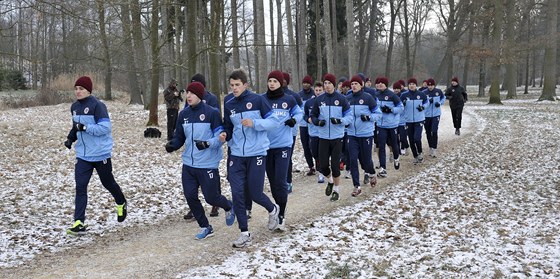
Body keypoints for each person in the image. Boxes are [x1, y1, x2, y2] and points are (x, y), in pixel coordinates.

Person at [165, 82, 235, 240]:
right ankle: (205, 226)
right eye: (187, 93)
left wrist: (207, 144)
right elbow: (180, 137)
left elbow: (221, 137)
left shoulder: (212, 113)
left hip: (207, 164)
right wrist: (172, 145)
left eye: (192, 93)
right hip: (189, 165)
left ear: (200, 95)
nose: (188, 96)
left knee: (211, 198)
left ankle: (229, 206)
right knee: (190, 196)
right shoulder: (184, 114)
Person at [223, 68, 281, 248]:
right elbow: (227, 126)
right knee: (237, 193)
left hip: (256, 153)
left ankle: (273, 209)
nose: (234, 88)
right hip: (236, 155)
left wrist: (254, 123)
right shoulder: (229, 103)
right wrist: (225, 134)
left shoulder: (258, 100)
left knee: (255, 193)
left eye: (237, 85)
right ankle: (244, 233)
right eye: (232, 85)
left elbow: (273, 122)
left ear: (245, 85)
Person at [64, 76, 127, 236]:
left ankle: (121, 202)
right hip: (83, 156)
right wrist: (71, 138)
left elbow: (104, 128)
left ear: (89, 91)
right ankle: (79, 222)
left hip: (100, 154)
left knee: (108, 183)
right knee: (80, 187)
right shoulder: (74, 107)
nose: (78, 91)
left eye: (81, 89)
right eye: (76, 88)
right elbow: (75, 126)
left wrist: (84, 127)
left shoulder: (98, 106)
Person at [263, 70, 303, 231]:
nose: (272, 83)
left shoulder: (289, 99)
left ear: (281, 83)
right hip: (266, 147)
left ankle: (281, 215)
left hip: (284, 146)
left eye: (275, 81)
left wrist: (294, 120)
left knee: (280, 181)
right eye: (270, 80)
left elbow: (300, 113)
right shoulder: (262, 99)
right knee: (273, 183)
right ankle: (276, 208)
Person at [183, 73, 221, 220]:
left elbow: (216, 116)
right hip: (193, 144)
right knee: (193, 178)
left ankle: (215, 202)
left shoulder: (212, 98)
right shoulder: (189, 98)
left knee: (212, 175)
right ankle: (194, 207)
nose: (191, 93)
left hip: (209, 143)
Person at [310, 73, 353, 201]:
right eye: (325, 83)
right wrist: (317, 122)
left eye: (329, 83)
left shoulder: (341, 99)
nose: (327, 85)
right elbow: (313, 116)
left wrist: (340, 121)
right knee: (322, 166)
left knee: (335, 165)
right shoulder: (319, 99)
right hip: (323, 136)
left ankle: (336, 190)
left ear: (333, 84)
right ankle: (330, 181)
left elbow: (349, 117)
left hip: (337, 137)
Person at [346, 75, 381, 196]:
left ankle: (371, 173)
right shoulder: (348, 98)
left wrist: (369, 118)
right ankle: (357, 186)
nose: (353, 86)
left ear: (361, 85)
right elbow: (344, 114)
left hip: (366, 134)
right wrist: (345, 122)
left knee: (366, 160)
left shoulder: (368, 98)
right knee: (352, 159)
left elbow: (378, 113)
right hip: (351, 134)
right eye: (352, 84)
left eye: (356, 83)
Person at [375, 76, 404, 178]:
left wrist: (391, 110)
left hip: (392, 124)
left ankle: (396, 158)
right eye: (378, 83)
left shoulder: (392, 95)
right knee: (381, 145)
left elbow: (401, 108)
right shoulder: (376, 95)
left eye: (382, 83)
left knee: (394, 144)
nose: (380, 84)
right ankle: (383, 168)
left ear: (386, 84)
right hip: (380, 125)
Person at [281, 72, 303, 193]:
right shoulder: (271, 96)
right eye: (281, 79)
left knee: (287, 157)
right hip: (275, 133)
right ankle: (279, 181)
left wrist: (293, 120)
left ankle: (288, 182)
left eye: (285, 79)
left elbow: (301, 112)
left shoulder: (294, 96)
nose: (283, 81)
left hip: (290, 132)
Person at [401, 78, 429, 164]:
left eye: (413, 84)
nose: (411, 85)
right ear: (408, 85)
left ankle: (420, 152)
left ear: (416, 85)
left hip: (419, 119)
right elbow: (399, 106)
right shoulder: (404, 95)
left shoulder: (421, 94)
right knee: (411, 139)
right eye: (410, 84)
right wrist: (403, 104)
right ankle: (415, 156)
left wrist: (423, 107)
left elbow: (427, 102)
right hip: (408, 120)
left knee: (417, 138)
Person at [305, 81, 326, 184]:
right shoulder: (309, 102)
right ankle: (321, 165)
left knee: (322, 153)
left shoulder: (327, 101)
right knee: (314, 152)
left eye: (320, 90)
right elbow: (304, 115)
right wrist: (307, 119)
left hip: (324, 132)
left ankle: (321, 173)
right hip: (313, 132)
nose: (318, 92)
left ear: (323, 90)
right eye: (316, 90)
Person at [298, 75, 316, 176]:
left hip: (313, 125)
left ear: (311, 84)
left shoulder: (314, 94)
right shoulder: (299, 95)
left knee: (313, 146)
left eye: (307, 83)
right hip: (303, 124)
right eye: (304, 83)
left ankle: (319, 162)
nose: (305, 85)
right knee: (305, 146)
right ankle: (311, 166)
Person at [422, 78, 446, 157]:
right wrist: (428, 102)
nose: (430, 87)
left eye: (431, 85)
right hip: (426, 115)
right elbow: (422, 103)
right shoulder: (424, 93)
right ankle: (430, 147)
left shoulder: (438, 91)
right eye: (429, 85)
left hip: (436, 114)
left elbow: (443, 98)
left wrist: (439, 103)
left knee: (434, 131)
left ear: (434, 85)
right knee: (428, 132)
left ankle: (434, 149)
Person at [393, 81, 410, 156]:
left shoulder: (404, 96)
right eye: (395, 88)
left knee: (403, 137)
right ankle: (398, 150)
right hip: (395, 121)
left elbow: (408, 106)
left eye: (397, 88)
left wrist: (406, 104)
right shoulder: (392, 97)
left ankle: (405, 146)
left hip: (403, 120)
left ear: (400, 89)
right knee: (396, 137)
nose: (396, 90)